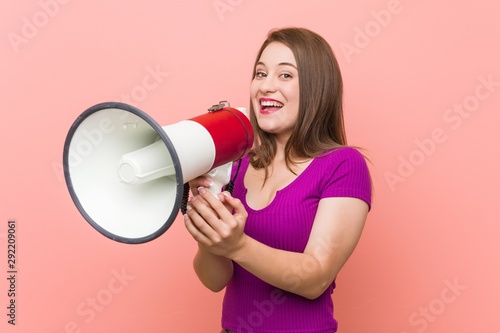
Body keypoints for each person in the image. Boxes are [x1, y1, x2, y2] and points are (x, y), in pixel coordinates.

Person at [183, 27, 372, 333]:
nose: (265, 86)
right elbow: (214, 281)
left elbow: (315, 278)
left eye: (285, 75)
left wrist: (237, 245)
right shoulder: (236, 165)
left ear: (317, 87)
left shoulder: (343, 165)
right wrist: (210, 234)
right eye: (260, 73)